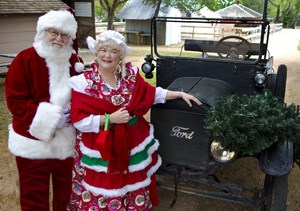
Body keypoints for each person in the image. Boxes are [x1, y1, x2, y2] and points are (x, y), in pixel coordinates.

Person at [68, 30, 202, 211]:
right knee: (106, 186)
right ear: (96, 52)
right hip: (102, 147)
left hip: (131, 142)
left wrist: (178, 93)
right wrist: (109, 118)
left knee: (130, 182)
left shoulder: (128, 76)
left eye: (114, 51)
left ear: (120, 55)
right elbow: (79, 120)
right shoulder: (83, 82)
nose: (107, 55)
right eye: (103, 50)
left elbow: (151, 94)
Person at [5, 9, 84, 211]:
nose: (58, 38)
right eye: (53, 32)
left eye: (64, 34)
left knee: (67, 195)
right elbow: (15, 101)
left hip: (66, 143)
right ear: (43, 32)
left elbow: (86, 96)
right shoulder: (24, 59)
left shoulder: (76, 63)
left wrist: (74, 112)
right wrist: (49, 118)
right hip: (32, 142)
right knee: (33, 197)